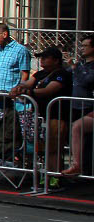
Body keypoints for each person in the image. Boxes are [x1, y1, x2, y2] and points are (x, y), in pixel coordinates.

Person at [13, 46, 71, 176]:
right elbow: (27, 83)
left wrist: (29, 92)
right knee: (42, 147)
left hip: (57, 115)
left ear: (56, 60)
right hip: (40, 116)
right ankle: (44, 175)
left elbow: (49, 90)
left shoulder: (62, 74)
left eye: (45, 57)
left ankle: (55, 177)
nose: (42, 60)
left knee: (54, 148)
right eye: (41, 57)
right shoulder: (39, 74)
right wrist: (19, 88)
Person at [58, 35, 93, 182]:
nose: (82, 49)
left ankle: (80, 166)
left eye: (85, 46)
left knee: (80, 130)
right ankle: (79, 169)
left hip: (88, 105)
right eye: (81, 46)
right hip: (75, 105)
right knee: (74, 133)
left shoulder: (86, 67)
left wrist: (74, 67)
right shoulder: (81, 64)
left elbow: (87, 80)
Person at [0, 22, 30, 95]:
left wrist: (19, 90)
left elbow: (25, 73)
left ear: (4, 34)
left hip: (10, 93)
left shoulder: (21, 50)